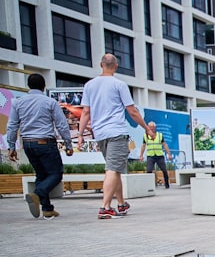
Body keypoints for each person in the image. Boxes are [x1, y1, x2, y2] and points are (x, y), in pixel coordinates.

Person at [78, 54, 154, 219]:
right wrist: (146, 128)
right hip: (117, 132)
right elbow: (132, 111)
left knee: (116, 169)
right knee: (112, 169)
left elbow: (85, 112)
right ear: (116, 66)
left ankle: (121, 203)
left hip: (100, 133)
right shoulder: (119, 84)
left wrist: (80, 135)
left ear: (101, 65)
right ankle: (105, 207)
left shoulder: (89, 85)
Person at [6, 73, 75, 219]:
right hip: (45, 143)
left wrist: (11, 146)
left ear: (28, 86)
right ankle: (37, 194)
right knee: (56, 174)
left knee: (41, 175)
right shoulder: (50, 102)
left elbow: (12, 125)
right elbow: (62, 125)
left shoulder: (18, 102)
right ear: (44, 86)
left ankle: (47, 209)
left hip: (28, 144)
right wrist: (68, 144)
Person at [140, 121, 172, 188]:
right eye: (150, 127)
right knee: (149, 171)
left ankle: (167, 184)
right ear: (148, 127)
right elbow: (143, 145)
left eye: (153, 127)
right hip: (150, 155)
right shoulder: (145, 136)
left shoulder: (160, 135)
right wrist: (141, 155)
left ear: (155, 128)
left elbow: (165, 145)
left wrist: (169, 154)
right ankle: (149, 186)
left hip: (159, 155)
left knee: (164, 170)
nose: (151, 128)